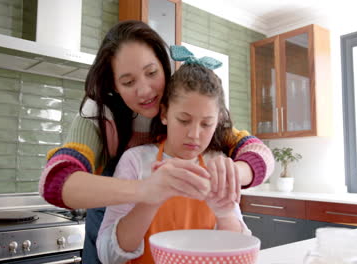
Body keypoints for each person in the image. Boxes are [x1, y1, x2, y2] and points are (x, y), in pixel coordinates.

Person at [39, 20, 274, 264]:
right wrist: (147, 190)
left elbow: (259, 154)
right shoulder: (100, 116)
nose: (145, 91)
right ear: (114, 86)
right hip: (114, 205)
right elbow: (55, 181)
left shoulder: (190, 106)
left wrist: (230, 176)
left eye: (151, 73)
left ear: (164, 66)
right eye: (128, 82)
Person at [97, 48, 252, 264]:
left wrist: (225, 213)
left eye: (207, 124)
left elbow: (238, 254)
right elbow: (107, 256)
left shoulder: (217, 164)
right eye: (184, 120)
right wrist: (150, 199)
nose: (194, 135)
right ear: (164, 114)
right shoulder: (135, 161)